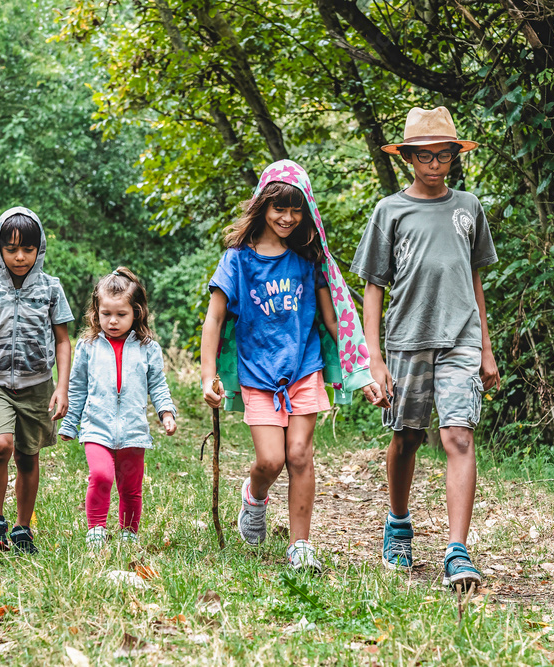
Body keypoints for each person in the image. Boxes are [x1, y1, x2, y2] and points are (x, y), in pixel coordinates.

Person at [201, 160, 381, 574]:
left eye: (296, 210)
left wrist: (363, 370)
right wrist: (207, 373)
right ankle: (255, 495)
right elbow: (214, 318)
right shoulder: (238, 260)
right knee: (270, 460)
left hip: (304, 368)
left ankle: (300, 546)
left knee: (300, 454)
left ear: (306, 212)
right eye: (279, 208)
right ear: (263, 206)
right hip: (258, 374)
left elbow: (332, 319)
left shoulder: (307, 258)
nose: (287, 218)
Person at [351, 106, 500, 590]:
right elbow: (374, 287)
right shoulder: (389, 210)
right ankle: (398, 524)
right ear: (409, 158)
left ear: (455, 156)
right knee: (407, 437)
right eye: (424, 156)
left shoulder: (469, 207)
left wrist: (486, 348)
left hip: (461, 338)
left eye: (443, 156)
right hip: (406, 340)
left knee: (459, 437)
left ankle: (458, 551)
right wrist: (373, 359)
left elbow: (474, 278)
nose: (434, 165)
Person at [0, 207, 73, 554]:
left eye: (28, 249)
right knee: (0, 446)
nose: (20, 257)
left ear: (40, 250)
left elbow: (63, 340)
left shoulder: (51, 289)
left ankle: (23, 527)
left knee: (28, 455)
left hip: (37, 384)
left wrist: (62, 386)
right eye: (11, 249)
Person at [58, 268, 178, 550]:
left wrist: (166, 413)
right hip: (96, 427)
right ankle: (96, 529)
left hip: (133, 430)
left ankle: (128, 532)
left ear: (136, 312)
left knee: (131, 487)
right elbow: (77, 388)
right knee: (101, 476)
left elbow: (158, 386)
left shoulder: (148, 348)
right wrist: (69, 423)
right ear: (95, 312)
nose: (112, 321)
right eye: (105, 314)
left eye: (121, 314)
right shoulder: (88, 346)